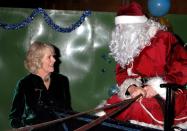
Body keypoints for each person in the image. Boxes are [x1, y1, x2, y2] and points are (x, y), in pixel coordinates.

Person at [98, 1, 187, 130]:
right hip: (139, 94)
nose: (122, 31)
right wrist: (132, 88)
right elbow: (121, 74)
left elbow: (183, 65)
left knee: (133, 108)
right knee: (112, 105)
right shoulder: (125, 47)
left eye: (126, 26)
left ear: (140, 24)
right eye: (120, 27)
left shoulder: (164, 38)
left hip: (167, 93)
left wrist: (157, 87)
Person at [9, 41, 72, 130]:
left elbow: (68, 111)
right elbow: (14, 117)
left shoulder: (62, 80)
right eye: (49, 57)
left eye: (53, 56)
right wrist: (23, 127)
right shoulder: (24, 84)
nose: (54, 60)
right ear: (37, 60)